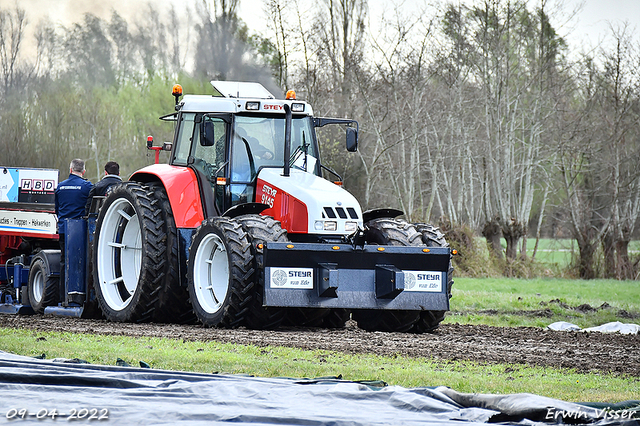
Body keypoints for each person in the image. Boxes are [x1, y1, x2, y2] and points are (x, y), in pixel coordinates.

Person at [55, 159, 93, 289]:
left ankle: (63, 294)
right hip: (80, 231)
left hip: (63, 230)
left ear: (70, 170)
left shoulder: (60, 186)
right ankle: (78, 291)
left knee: (64, 261)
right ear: (83, 171)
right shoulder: (87, 186)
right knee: (80, 261)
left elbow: (57, 209)